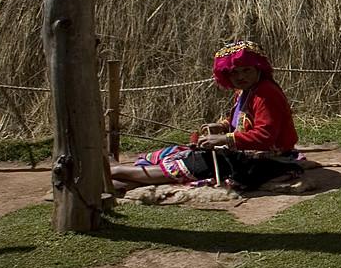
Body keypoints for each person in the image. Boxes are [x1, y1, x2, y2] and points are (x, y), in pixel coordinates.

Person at [110, 40, 300, 192]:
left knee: (195, 164)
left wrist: (224, 139)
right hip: (243, 150)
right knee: (176, 153)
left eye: (246, 70)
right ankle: (125, 182)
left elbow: (265, 137)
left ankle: (116, 171)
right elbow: (240, 121)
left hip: (265, 159)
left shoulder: (266, 94)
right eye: (234, 73)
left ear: (259, 69)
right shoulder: (245, 90)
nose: (240, 77)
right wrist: (223, 126)